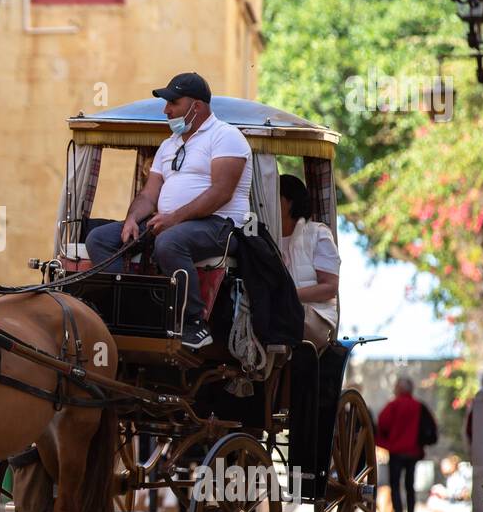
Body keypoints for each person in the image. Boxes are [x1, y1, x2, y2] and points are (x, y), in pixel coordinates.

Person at [85, 72, 252, 350]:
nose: (166, 110)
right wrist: (131, 219)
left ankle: (194, 322)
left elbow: (221, 193)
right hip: (171, 224)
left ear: (196, 106)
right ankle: (132, 311)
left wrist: (174, 218)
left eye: (173, 102)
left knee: (170, 241)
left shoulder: (226, 137)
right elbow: (150, 194)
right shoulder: (168, 145)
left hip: (220, 226)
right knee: (100, 238)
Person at [277, 173, 340, 349]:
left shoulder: (318, 233)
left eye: (275, 195)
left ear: (290, 202)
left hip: (314, 318)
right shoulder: (265, 237)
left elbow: (330, 287)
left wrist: (288, 296)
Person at [375, 376, 436, 512]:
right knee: (410, 485)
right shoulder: (418, 406)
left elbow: (382, 423)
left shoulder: (393, 405)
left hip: (396, 451)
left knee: (395, 485)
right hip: (413, 451)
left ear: (398, 389)